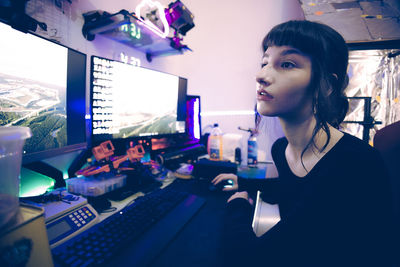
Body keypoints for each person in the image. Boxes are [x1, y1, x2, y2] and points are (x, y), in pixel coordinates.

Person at [212, 20, 395, 267]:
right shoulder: (281, 149)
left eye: (286, 64)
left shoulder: (352, 164)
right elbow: (294, 189)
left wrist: (237, 206)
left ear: (327, 85)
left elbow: (249, 258)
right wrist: (240, 182)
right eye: (264, 62)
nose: (261, 75)